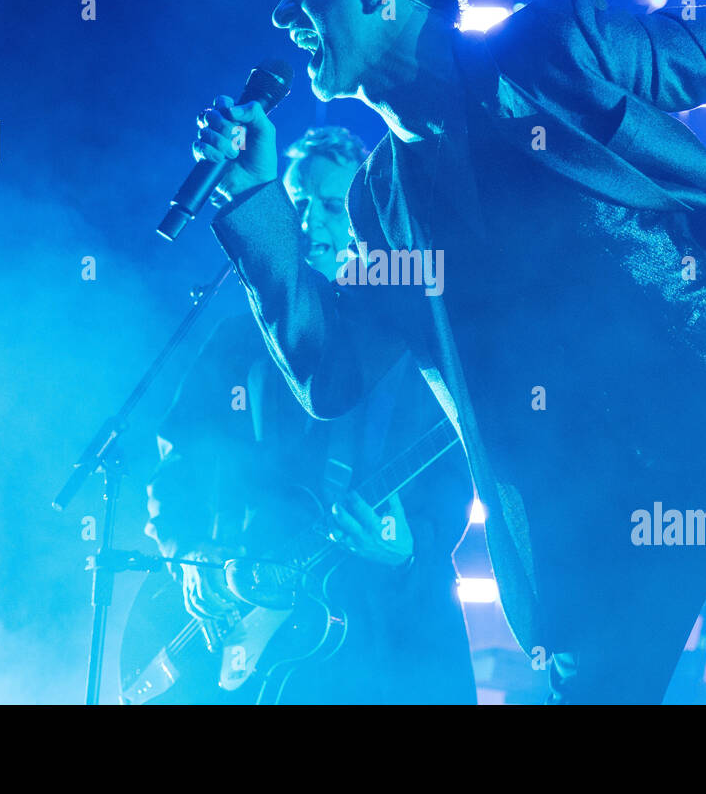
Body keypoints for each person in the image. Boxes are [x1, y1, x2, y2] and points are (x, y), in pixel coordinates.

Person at [186, 0, 706, 703]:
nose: (284, 12)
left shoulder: (555, 49)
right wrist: (256, 201)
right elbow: (332, 373)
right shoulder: (381, 201)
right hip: (609, 503)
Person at [145, 125, 477, 704]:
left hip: (386, 634)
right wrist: (187, 549)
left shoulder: (422, 344)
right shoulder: (236, 341)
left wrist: (409, 548)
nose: (308, 220)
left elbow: (458, 476)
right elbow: (181, 456)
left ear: (369, 228)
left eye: (330, 205)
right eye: (296, 202)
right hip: (255, 619)